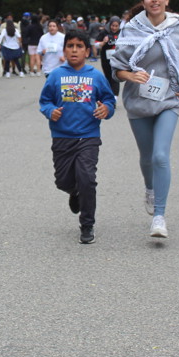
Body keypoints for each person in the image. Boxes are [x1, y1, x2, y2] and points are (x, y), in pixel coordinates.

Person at [111, 0, 179, 239]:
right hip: (139, 101)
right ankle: (150, 188)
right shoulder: (131, 29)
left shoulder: (178, 27)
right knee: (147, 157)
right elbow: (118, 68)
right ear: (144, 1)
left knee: (160, 156)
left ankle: (159, 216)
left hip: (169, 99)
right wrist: (131, 76)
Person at [39, 30, 116, 244]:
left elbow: (109, 101)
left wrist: (106, 109)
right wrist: (50, 111)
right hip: (62, 137)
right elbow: (45, 101)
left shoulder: (96, 76)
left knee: (87, 178)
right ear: (64, 50)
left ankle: (87, 224)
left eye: (79, 46)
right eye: (70, 46)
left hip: (88, 136)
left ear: (87, 51)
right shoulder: (56, 75)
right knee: (62, 181)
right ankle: (75, 192)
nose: (74, 50)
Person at [97, 16, 121, 96]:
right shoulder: (104, 32)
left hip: (117, 59)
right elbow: (96, 45)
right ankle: (109, 95)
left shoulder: (122, 33)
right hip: (106, 59)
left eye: (116, 26)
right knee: (108, 77)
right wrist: (103, 42)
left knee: (115, 78)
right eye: (112, 25)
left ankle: (115, 97)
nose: (114, 28)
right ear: (110, 24)